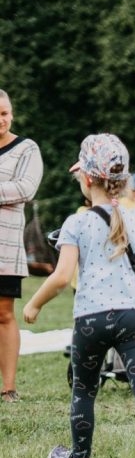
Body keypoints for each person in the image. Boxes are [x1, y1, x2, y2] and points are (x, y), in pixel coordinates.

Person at [23, 133, 135, 458]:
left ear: (87, 180)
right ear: (123, 182)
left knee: (84, 392)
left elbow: (62, 276)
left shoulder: (76, 222)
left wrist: (34, 304)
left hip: (91, 319)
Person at [0, 89, 43, 403]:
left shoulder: (27, 148)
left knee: (3, 314)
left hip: (5, 248)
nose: (0, 120)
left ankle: (9, 388)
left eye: (4, 113)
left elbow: (25, 189)